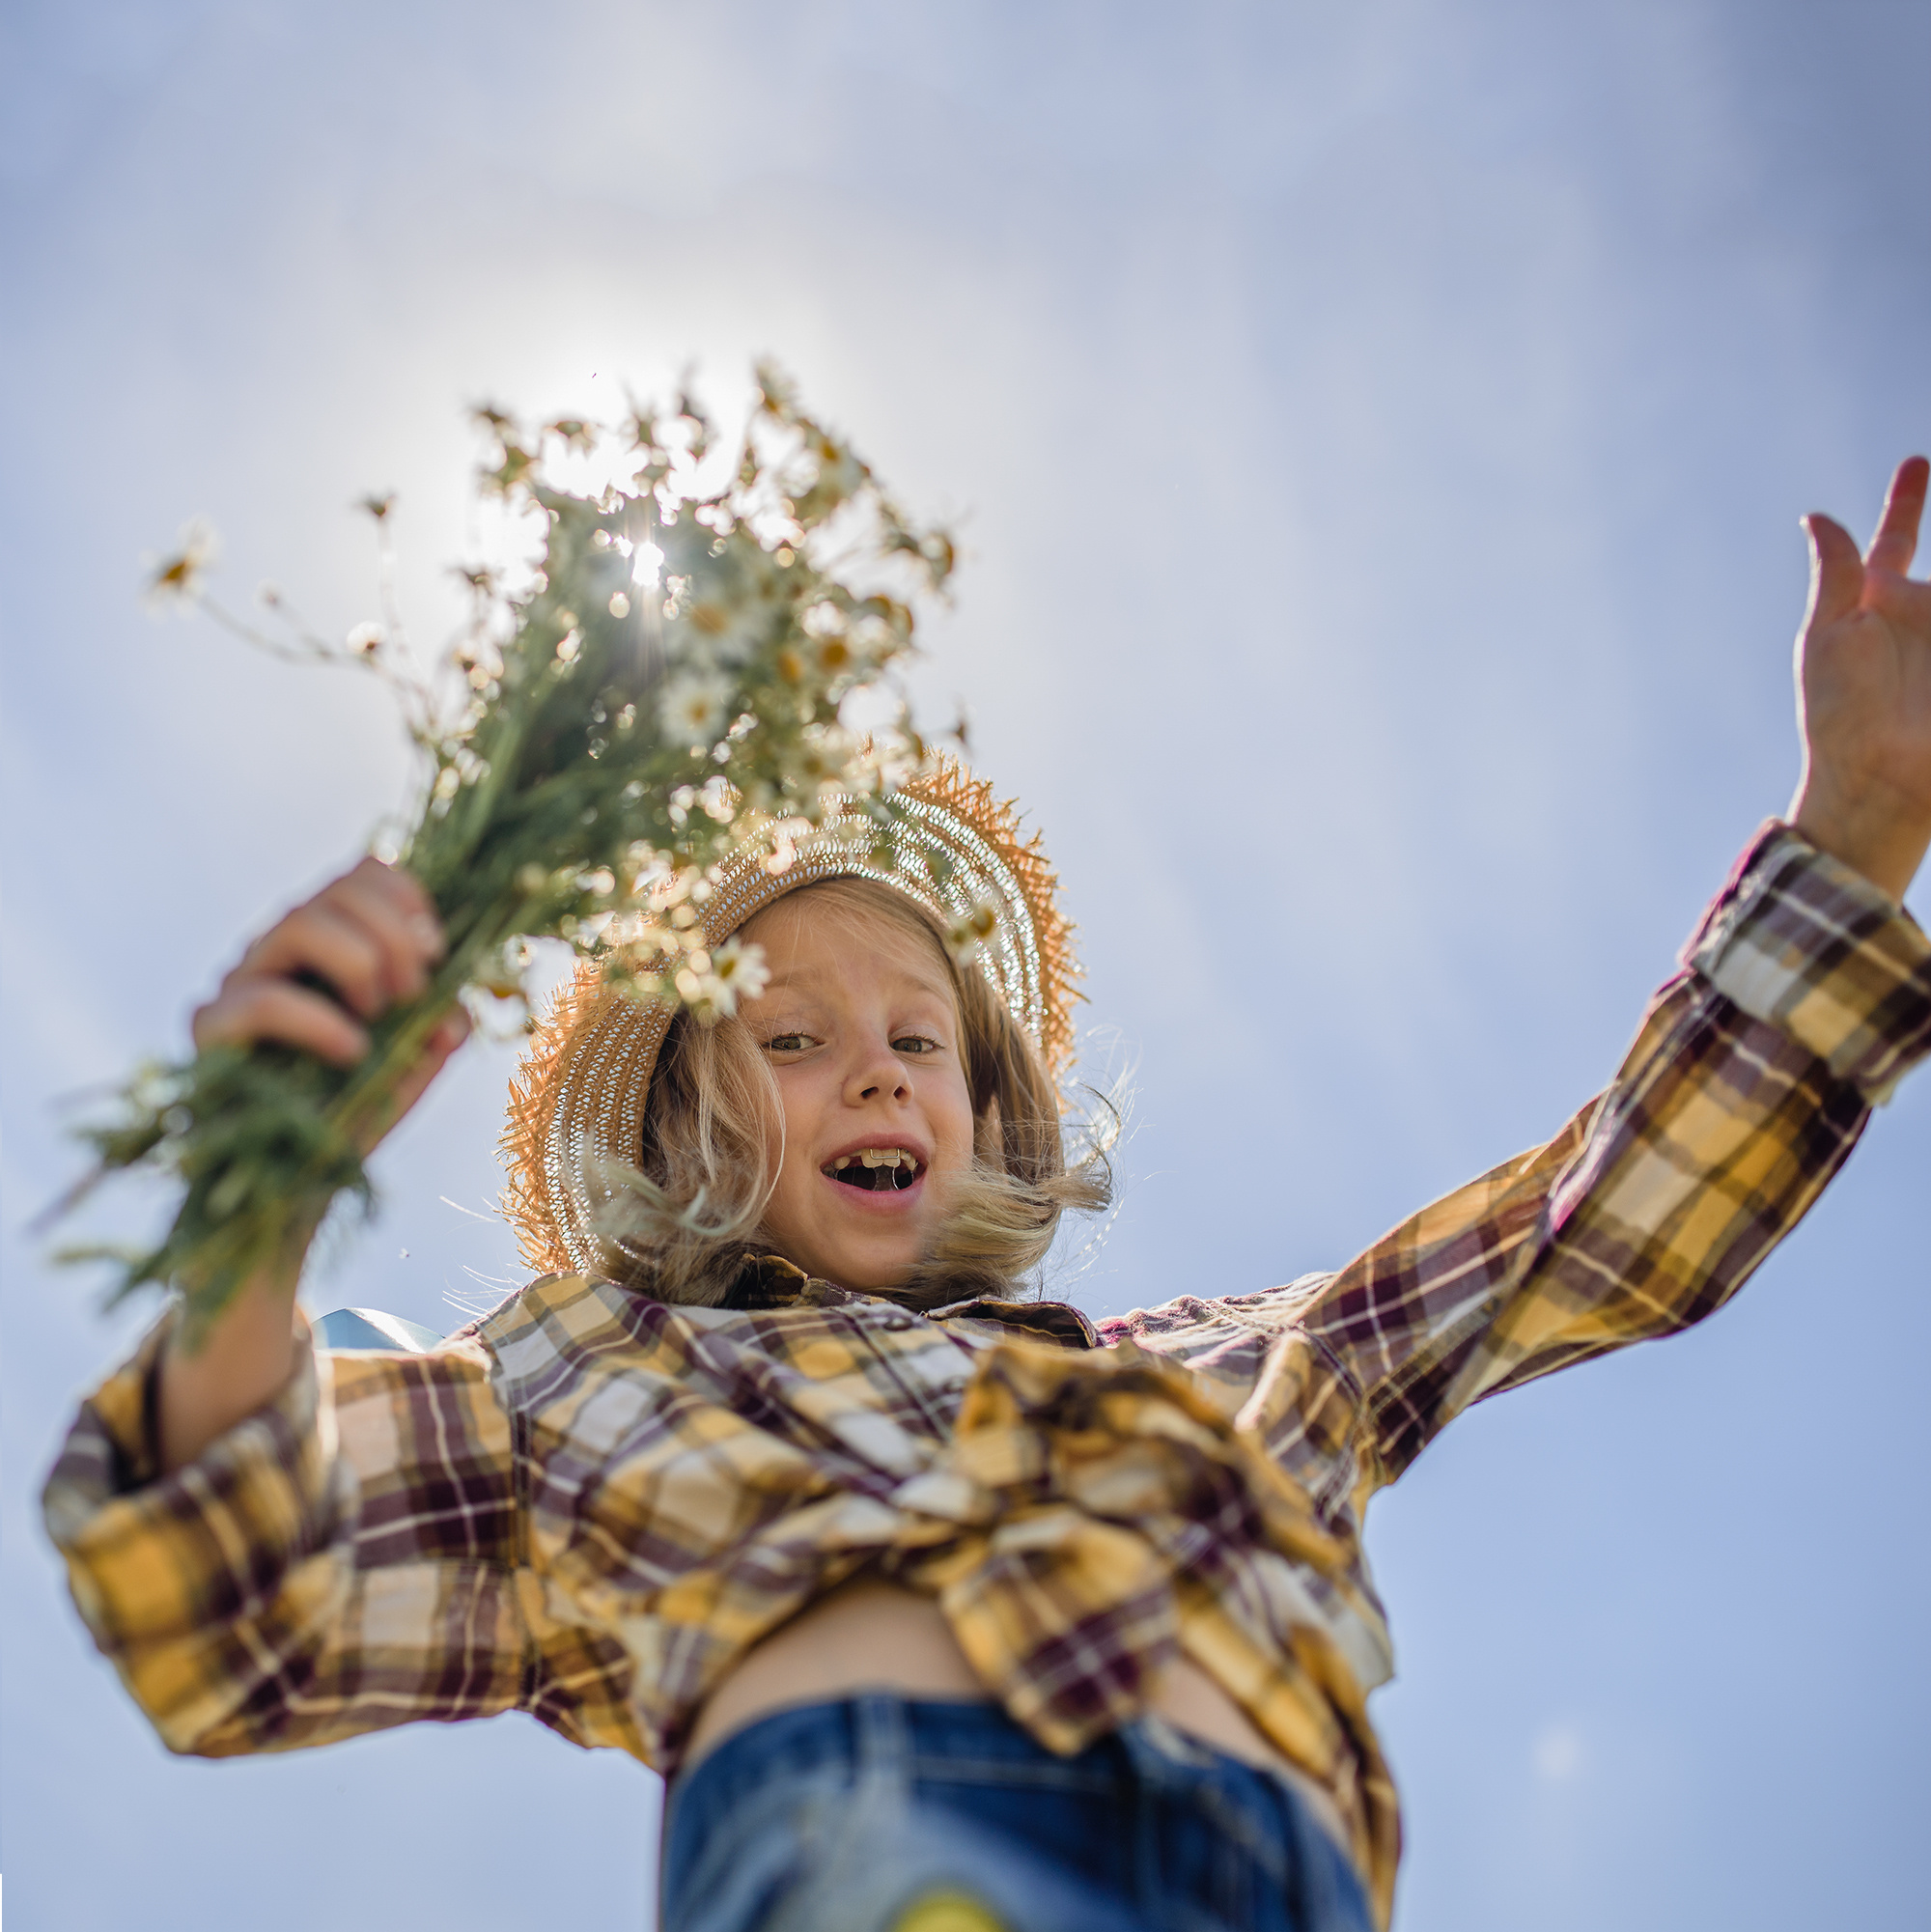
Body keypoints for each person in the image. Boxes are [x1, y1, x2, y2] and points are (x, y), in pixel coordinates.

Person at [43, 458, 1931, 1932]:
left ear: (987, 1102)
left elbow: (1575, 1234)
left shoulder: (1236, 1363)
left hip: (1276, 1861)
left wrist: (1849, 831)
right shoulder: (594, 1367)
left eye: (918, 1037)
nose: (871, 1067)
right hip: (885, 1811)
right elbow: (243, 1590)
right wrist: (258, 1209)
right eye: (786, 1039)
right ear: (691, 1126)